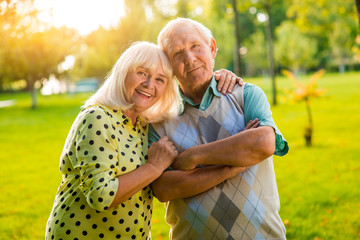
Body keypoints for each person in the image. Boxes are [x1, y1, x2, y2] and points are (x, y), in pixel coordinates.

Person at [45, 41, 241, 240]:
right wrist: (154, 167)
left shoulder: (142, 124)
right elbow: (101, 196)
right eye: (142, 73)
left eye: (160, 79)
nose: (149, 85)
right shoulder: (97, 117)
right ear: (123, 72)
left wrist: (219, 77)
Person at [149, 18, 289, 239]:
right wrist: (233, 165)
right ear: (168, 66)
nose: (190, 59)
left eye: (196, 47)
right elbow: (165, 189)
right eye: (177, 54)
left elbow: (263, 144)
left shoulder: (245, 94)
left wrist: (193, 157)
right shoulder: (157, 119)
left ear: (212, 48)